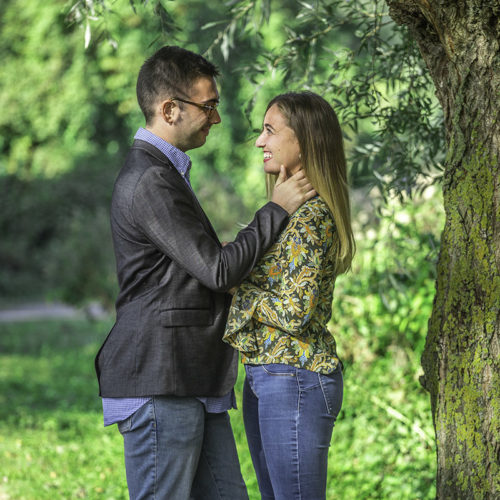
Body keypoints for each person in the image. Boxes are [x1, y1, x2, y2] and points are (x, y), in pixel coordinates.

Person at [94, 47, 316, 500]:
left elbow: (198, 267)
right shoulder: (151, 179)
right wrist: (276, 209)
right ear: (169, 109)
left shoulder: (166, 174)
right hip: (161, 378)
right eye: (208, 106)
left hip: (190, 377)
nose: (216, 118)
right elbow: (217, 270)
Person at [223, 91, 355, 500]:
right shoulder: (290, 213)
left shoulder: (312, 218)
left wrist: (236, 289)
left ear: (305, 140)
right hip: (270, 373)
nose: (260, 142)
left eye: (270, 130)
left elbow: (295, 311)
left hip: (295, 377)